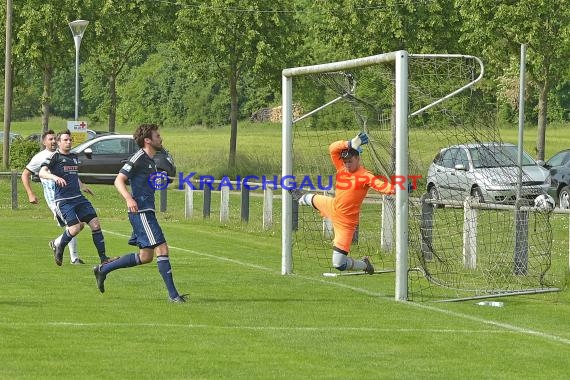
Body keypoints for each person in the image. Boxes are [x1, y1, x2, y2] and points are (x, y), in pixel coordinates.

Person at [93, 123, 186, 303]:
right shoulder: (138, 157)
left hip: (146, 211)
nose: (161, 138)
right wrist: (129, 198)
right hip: (141, 212)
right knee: (162, 247)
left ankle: (102, 270)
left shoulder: (151, 161)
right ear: (147, 140)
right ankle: (174, 296)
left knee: (146, 257)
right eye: (157, 136)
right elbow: (119, 180)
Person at [291, 132, 395, 275]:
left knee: (338, 264)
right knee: (304, 198)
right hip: (332, 206)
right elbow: (332, 149)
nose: (346, 164)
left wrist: (398, 188)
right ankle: (296, 194)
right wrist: (349, 143)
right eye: (345, 162)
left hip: (346, 222)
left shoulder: (365, 176)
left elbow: (383, 187)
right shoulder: (342, 168)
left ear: (358, 158)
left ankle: (364, 264)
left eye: (350, 161)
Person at [39, 129, 116, 266]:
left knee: (96, 224)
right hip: (63, 200)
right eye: (65, 140)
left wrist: (82, 185)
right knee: (74, 228)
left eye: (70, 140)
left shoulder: (74, 156)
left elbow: (73, 175)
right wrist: (55, 177)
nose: (68, 142)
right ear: (58, 142)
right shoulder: (54, 157)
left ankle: (104, 258)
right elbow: (42, 172)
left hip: (78, 198)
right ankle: (59, 246)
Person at [21, 130, 84, 264]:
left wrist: (81, 185)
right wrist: (30, 193)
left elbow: (70, 173)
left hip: (69, 195)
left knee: (80, 224)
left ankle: (56, 243)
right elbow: (25, 174)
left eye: (54, 139)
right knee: (72, 225)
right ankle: (74, 258)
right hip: (55, 199)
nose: (53, 141)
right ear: (44, 142)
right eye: (50, 139)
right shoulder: (40, 157)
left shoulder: (62, 155)